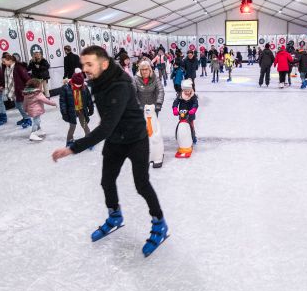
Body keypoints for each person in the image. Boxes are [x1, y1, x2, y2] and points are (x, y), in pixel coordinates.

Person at [51, 46, 168, 257]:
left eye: (89, 64)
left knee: (142, 184)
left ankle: (160, 223)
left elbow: (106, 126)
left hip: (135, 139)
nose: (84, 69)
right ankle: (115, 216)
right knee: (107, 181)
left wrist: (73, 148)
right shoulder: (98, 81)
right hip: (116, 140)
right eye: (83, 64)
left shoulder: (121, 85)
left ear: (104, 64)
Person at [60, 72, 93, 146]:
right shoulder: (65, 88)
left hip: (81, 109)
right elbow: (62, 102)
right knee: (72, 126)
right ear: (72, 82)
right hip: (71, 110)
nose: (78, 86)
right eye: (77, 84)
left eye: (80, 84)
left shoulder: (84, 87)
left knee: (84, 124)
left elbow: (88, 98)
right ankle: (69, 140)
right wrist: (64, 112)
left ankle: (89, 139)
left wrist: (91, 108)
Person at [2, 54, 32, 128]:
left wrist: (28, 88)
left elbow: (26, 78)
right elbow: (7, 80)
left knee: (21, 106)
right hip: (14, 90)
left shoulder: (18, 67)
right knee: (18, 105)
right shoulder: (7, 68)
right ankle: (25, 117)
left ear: (10, 60)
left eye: (4, 61)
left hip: (21, 90)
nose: (3, 63)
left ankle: (28, 119)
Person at [173, 79, 199, 147]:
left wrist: (193, 109)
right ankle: (180, 137)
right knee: (182, 125)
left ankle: (193, 137)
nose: (187, 92)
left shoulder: (193, 96)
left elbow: (195, 103)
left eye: (188, 90)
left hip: (190, 114)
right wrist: (175, 109)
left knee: (191, 125)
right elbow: (175, 102)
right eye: (185, 91)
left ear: (191, 89)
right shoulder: (180, 95)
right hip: (182, 113)